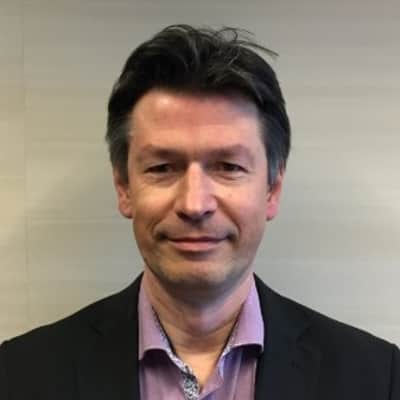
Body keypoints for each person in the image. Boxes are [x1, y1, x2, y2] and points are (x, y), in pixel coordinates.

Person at [0, 24, 398, 400]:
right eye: (162, 168)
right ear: (124, 187)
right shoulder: (19, 375)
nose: (194, 205)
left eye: (228, 167)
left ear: (272, 189)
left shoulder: (377, 378)